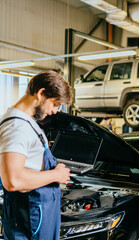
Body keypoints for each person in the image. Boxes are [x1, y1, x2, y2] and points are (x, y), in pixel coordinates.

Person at [0, 71, 72, 240]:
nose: (55, 111)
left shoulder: (27, 122)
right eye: (55, 104)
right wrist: (56, 174)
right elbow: (13, 181)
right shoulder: (16, 127)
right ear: (41, 94)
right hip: (30, 220)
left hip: (38, 216)